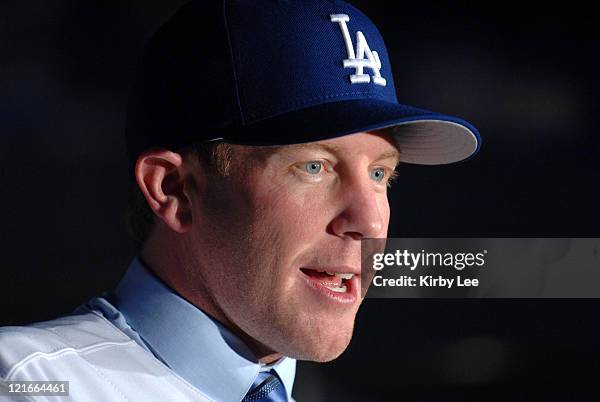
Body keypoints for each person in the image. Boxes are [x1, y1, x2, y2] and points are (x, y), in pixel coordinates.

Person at [0, 0, 480, 401]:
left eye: (381, 174)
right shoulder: (27, 383)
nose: (371, 222)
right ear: (174, 191)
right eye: (314, 166)